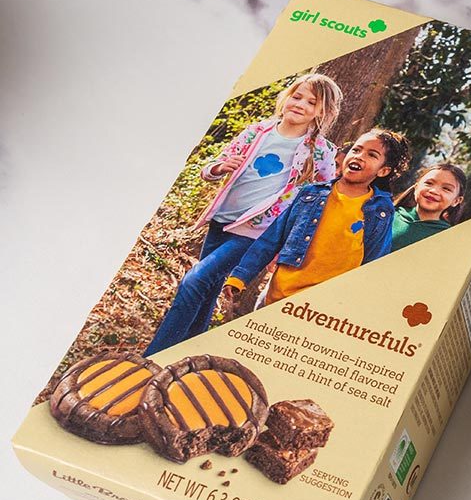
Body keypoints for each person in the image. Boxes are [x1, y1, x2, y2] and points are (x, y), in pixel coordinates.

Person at [145, 73, 343, 354]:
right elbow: (212, 166)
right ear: (286, 97)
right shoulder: (257, 131)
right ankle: (184, 355)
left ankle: (153, 356)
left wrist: (287, 244)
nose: (300, 104)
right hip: (222, 219)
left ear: (322, 112)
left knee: (195, 281)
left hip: (256, 231)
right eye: (297, 96)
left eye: (311, 102)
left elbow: (321, 199)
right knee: (207, 290)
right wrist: (219, 168)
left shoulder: (320, 151)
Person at [221, 129, 411, 307]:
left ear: (383, 171)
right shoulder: (311, 194)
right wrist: (241, 276)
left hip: (323, 307)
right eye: (357, 149)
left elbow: (374, 260)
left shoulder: (380, 212)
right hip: (279, 295)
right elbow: (272, 238)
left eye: (372, 155)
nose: (359, 156)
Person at [390, 163, 469, 252]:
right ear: (416, 187)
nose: (434, 191)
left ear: (456, 201)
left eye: (446, 189)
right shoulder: (388, 215)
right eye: (429, 183)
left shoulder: (448, 237)